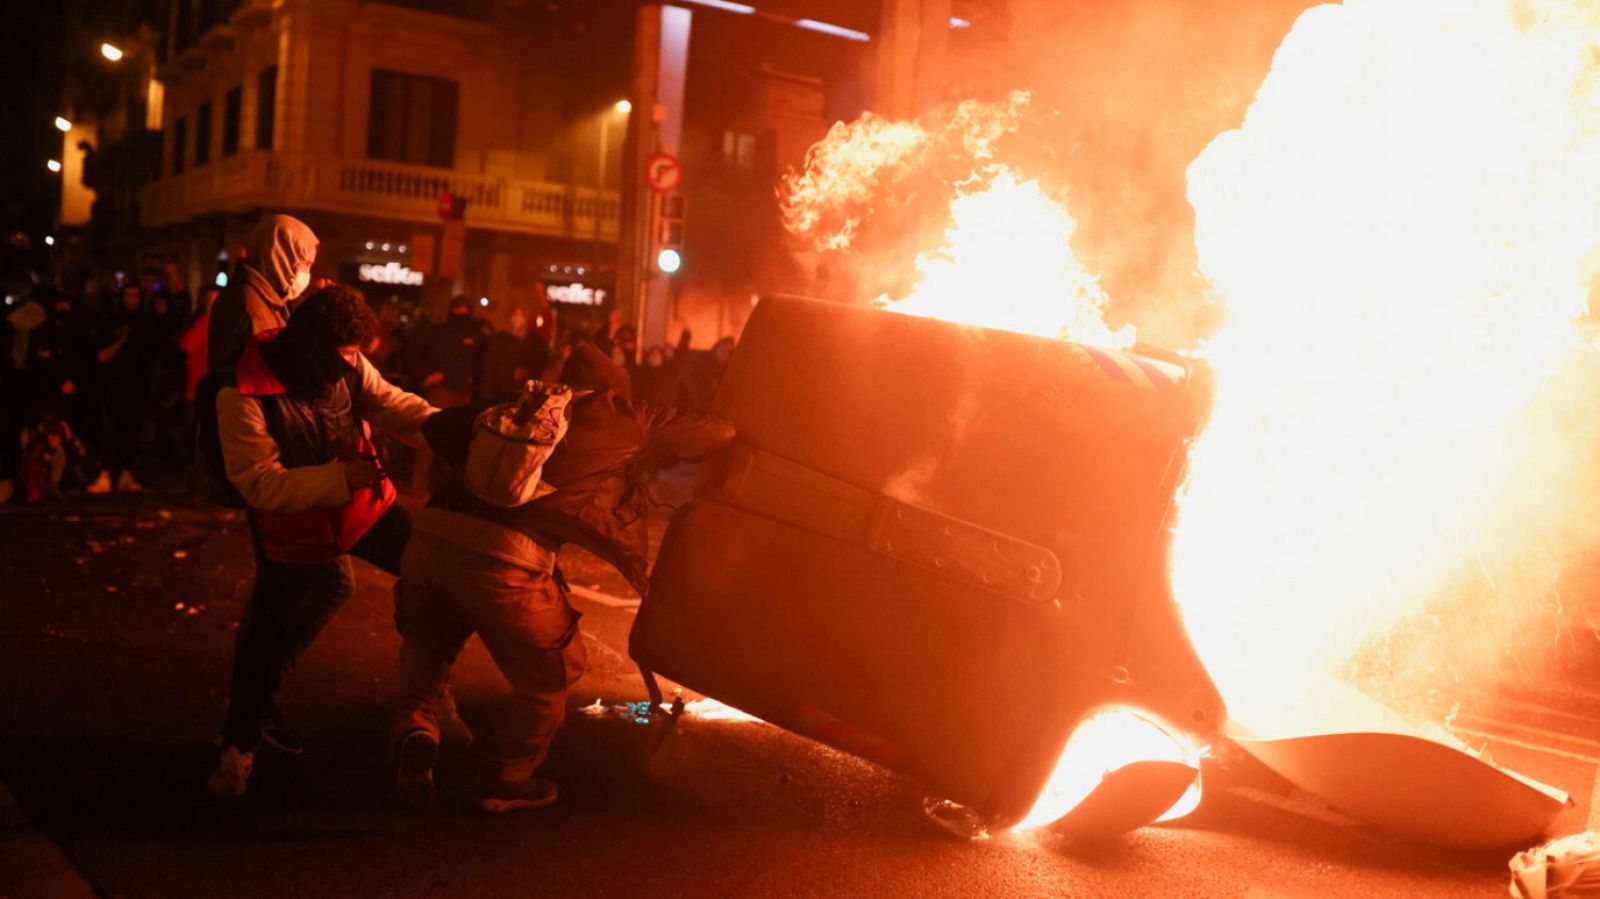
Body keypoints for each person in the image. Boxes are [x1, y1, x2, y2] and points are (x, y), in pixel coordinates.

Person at [390, 344, 735, 812]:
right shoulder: (622, 414)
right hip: (505, 560)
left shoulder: (515, 402)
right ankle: (506, 779)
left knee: (430, 642)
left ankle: (418, 726)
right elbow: (717, 434)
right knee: (553, 672)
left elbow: (439, 427)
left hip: (429, 539)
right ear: (614, 389)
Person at [207, 285, 437, 799]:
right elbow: (259, 483)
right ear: (310, 346)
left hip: (365, 507)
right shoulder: (240, 392)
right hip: (296, 528)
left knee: (438, 567)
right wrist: (337, 479)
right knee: (267, 637)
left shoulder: (348, 362)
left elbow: (392, 404)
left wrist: (454, 430)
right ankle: (239, 744)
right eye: (344, 357)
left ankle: (428, 707)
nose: (352, 366)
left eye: (357, 355)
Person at [208, 215, 319, 378]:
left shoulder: (267, 298)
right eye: (306, 263)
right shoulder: (251, 308)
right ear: (280, 257)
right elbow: (268, 377)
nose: (307, 272)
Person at [477, 306, 550, 404]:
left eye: (520, 314)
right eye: (515, 314)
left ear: (526, 318)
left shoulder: (536, 342)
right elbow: (488, 369)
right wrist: (486, 397)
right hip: (499, 398)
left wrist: (528, 372)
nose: (517, 318)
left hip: (524, 400)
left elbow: (543, 368)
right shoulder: (499, 340)